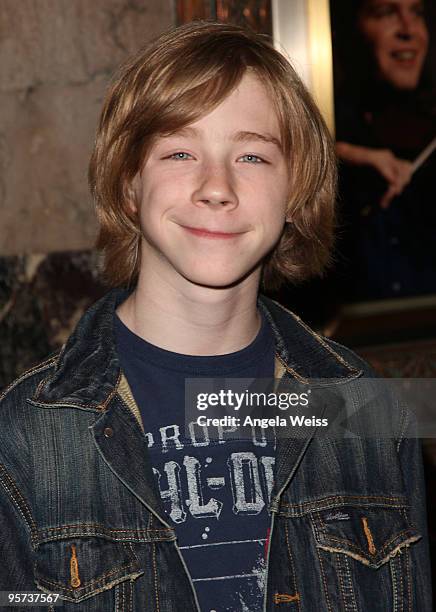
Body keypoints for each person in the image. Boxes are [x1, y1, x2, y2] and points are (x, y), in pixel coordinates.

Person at [0, 21, 431, 611]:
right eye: (180, 151)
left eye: (252, 155)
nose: (217, 187)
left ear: (295, 192)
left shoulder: (363, 409)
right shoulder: (26, 436)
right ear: (130, 182)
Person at [333, 0, 436, 300]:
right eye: (386, 12)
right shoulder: (328, 125)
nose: (408, 30)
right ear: (352, 32)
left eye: (417, 13)